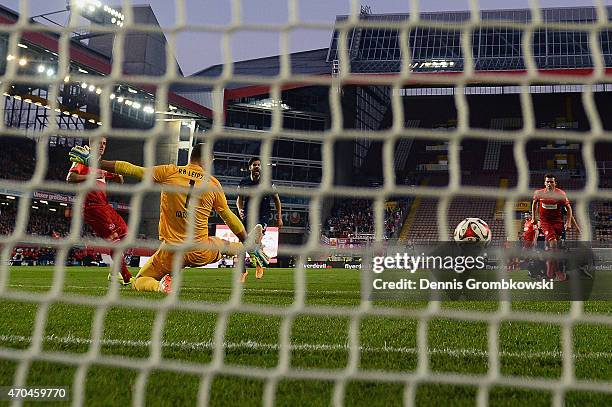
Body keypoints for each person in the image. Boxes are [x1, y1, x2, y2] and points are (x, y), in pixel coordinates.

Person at [69, 143, 268, 293]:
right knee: (222, 245)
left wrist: (95, 162)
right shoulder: (213, 184)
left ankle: (161, 287)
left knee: (139, 281)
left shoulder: (170, 172)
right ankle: (247, 246)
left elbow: (132, 169)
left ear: (191, 157)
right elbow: (229, 217)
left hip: (171, 252)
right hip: (200, 250)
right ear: (208, 161)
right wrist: (243, 237)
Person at [66, 136, 132, 285]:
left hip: (105, 205)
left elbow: (120, 180)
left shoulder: (101, 164)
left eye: (104, 143)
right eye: (99, 143)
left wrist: (115, 173)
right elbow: (70, 178)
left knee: (125, 234)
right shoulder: (82, 160)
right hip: (92, 206)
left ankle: (115, 272)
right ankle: (127, 277)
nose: (102, 146)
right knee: (114, 240)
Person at [235, 157, 282, 282]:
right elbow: (239, 199)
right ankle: (242, 272)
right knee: (242, 246)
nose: (257, 166)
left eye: (259, 165)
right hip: (248, 216)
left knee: (257, 236)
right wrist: (240, 210)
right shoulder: (243, 182)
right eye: (254, 164)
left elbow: (277, 199)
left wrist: (279, 216)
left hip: (263, 216)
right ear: (250, 167)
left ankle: (259, 266)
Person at [532, 174, 573, 281]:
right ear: (544, 183)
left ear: (555, 183)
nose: (549, 183)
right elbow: (534, 204)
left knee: (555, 248)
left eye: (551, 182)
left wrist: (568, 222)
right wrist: (534, 218)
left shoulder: (561, 194)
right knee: (553, 244)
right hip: (546, 222)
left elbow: (568, 208)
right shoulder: (539, 193)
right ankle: (556, 272)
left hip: (558, 222)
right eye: (547, 182)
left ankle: (550, 271)